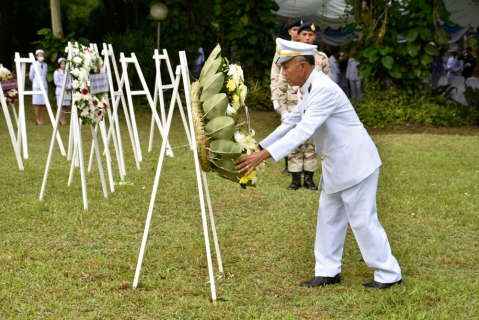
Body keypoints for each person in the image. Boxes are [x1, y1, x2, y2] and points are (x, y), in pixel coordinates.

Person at [235, 38, 402, 289]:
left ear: (303, 66)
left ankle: (389, 273)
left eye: (286, 67)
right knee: (329, 217)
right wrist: (259, 147)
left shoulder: (323, 89)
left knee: (362, 220)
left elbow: (303, 130)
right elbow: (290, 122)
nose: (283, 73)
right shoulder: (308, 88)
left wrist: (265, 155)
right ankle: (328, 271)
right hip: (338, 163)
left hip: (355, 163)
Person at [271, 18, 302, 176]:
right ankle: (288, 163)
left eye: (300, 29)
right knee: (287, 130)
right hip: (287, 97)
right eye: (295, 29)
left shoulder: (306, 48)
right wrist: (275, 97)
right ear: (290, 31)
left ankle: (300, 165)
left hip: (302, 97)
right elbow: (275, 74)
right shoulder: (282, 48)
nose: (298, 32)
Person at [29, 49, 48, 125]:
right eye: (40, 55)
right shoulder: (33, 65)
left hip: (44, 85)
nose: (41, 57)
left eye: (42, 55)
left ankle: (42, 119)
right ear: (36, 56)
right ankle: (37, 119)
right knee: (37, 103)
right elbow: (31, 76)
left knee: (43, 103)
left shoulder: (46, 65)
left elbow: (45, 75)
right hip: (36, 86)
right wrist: (36, 82)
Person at [53, 57, 72, 125]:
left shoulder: (68, 72)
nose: (63, 65)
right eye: (62, 64)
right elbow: (56, 82)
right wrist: (64, 86)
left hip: (67, 91)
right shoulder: (57, 72)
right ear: (59, 64)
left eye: (64, 64)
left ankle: (63, 118)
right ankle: (60, 119)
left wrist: (69, 87)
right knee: (60, 105)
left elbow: (70, 80)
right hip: (60, 91)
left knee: (65, 106)